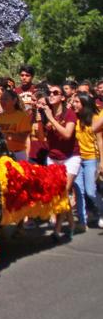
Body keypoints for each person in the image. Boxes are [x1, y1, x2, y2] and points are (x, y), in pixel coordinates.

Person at [39, 83, 79, 241]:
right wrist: (40, 119)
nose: (52, 95)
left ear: (63, 97)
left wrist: (50, 118)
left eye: (56, 92)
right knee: (57, 193)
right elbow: (42, 139)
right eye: (50, 93)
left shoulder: (69, 114)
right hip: (53, 157)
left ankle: (57, 229)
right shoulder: (46, 113)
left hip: (71, 157)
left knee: (63, 191)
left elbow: (68, 134)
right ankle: (71, 223)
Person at [70, 92, 103, 229]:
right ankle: (82, 222)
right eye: (74, 102)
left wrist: (102, 162)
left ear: (84, 104)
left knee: (90, 191)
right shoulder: (75, 118)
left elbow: (100, 141)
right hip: (78, 158)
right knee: (79, 190)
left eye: (77, 102)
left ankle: (101, 211)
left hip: (91, 158)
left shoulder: (95, 119)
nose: (74, 104)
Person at [0, 90, 32, 161]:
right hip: (0, 154)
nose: (2, 101)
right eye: (1, 99)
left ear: (14, 101)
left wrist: (7, 135)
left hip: (17, 154)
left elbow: (25, 138)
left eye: (5, 99)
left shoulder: (22, 116)